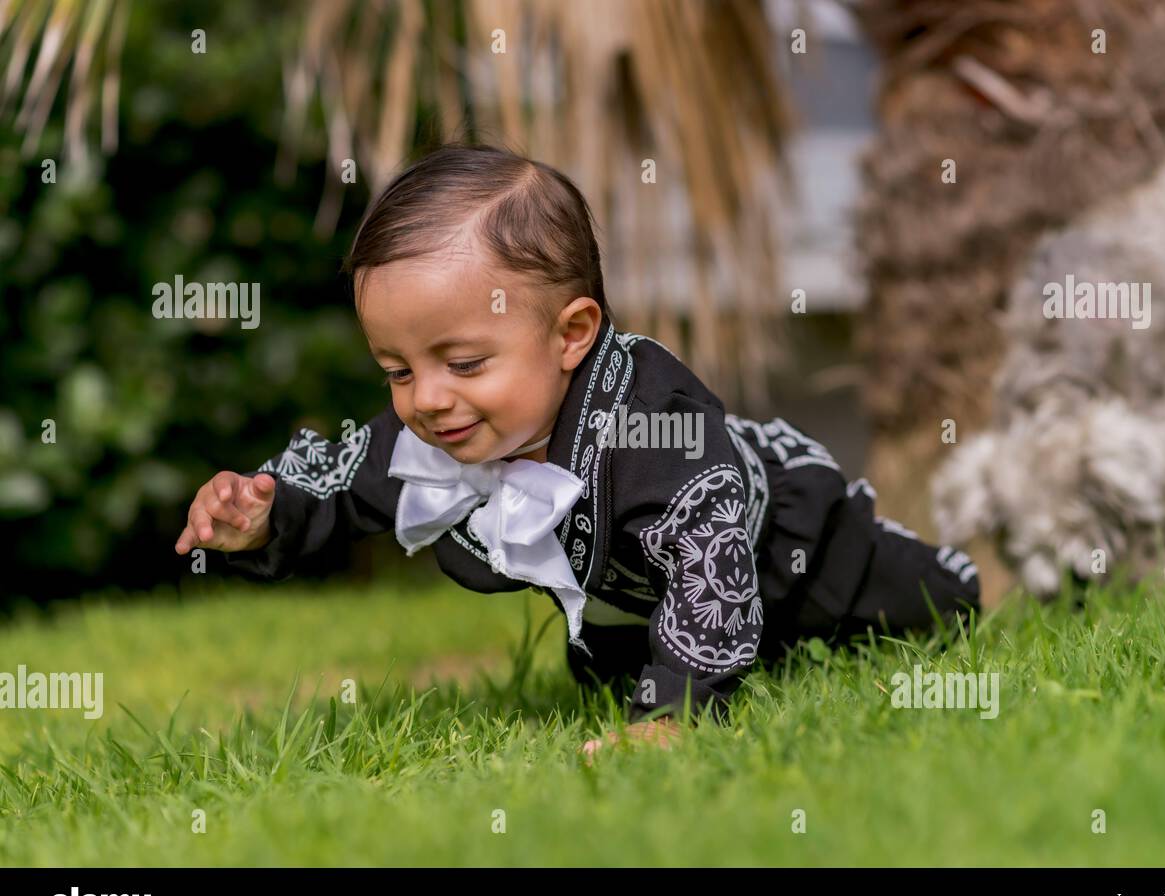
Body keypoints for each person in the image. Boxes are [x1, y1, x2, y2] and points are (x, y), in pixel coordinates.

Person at [174, 142, 980, 757]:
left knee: (920, 608)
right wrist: (264, 511)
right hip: (631, 612)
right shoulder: (444, 433)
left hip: (800, 551)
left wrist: (673, 719)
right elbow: (344, 475)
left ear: (572, 334)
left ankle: (969, 593)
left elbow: (709, 563)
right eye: (397, 370)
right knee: (624, 657)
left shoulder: (647, 418)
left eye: (462, 363)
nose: (427, 397)